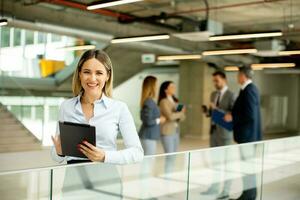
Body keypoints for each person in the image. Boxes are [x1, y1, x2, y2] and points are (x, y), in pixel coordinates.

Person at [51, 49, 144, 165]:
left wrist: (105, 156)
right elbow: (56, 155)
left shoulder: (119, 108)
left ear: (107, 76)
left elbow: (137, 153)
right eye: (87, 72)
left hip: (106, 176)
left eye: (99, 73)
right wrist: (59, 152)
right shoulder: (66, 106)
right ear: (79, 74)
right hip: (74, 177)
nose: (92, 78)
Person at [225, 66, 262, 200]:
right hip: (248, 136)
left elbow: (250, 115)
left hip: (248, 136)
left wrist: (233, 117)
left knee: (248, 167)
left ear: (243, 76)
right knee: (247, 166)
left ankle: (249, 195)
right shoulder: (248, 89)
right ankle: (248, 194)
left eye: (237, 75)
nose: (236, 77)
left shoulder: (249, 90)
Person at [201, 71, 235, 199]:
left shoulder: (232, 95)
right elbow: (212, 113)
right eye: (213, 81)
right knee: (215, 162)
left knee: (227, 163)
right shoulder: (213, 94)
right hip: (214, 132)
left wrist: (216, 109)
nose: (215, 83)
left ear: (224, 80)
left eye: (217, 80)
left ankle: (226, 191)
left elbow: (232, 115)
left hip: (225, 133)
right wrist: (207, 111)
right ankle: (214, 188)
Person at [139, 76, 166, 155]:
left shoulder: (148, 101)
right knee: (148, 163)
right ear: (152, 86)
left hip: (148, 136)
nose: (157, 87)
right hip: (148, 136)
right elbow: (148, 121)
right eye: (156, 84)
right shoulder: (149, 102)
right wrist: (159, 120)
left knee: (147, 162)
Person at [158, 81, 185, 153]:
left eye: (174, 86)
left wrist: (179, 114)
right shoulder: (163, 101)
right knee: (170, 155)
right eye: (172, 87)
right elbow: (170, 117)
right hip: (167, 132)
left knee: (174, 155)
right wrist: (180, 112)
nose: (174, 88)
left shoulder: (176, 101)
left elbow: (182, 117)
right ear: (165, 90)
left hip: (176, 131)